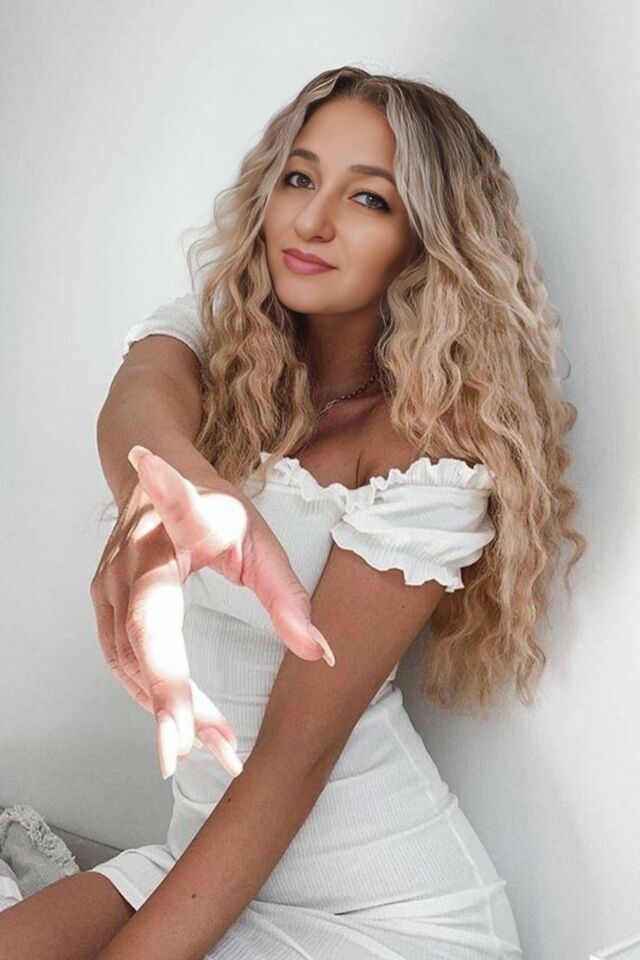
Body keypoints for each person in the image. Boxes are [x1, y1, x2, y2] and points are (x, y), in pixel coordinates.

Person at [0, 65, 586, 960]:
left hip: (382, 915)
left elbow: (290, 764)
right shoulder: (224, 344)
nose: (312, 221)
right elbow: (138, 400)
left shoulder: (426, 452)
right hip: (201, 855)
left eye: (369, 199)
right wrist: (169, 497)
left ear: (425, 242)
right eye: (300, 178)